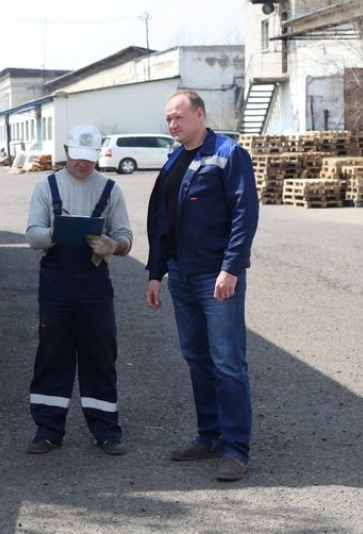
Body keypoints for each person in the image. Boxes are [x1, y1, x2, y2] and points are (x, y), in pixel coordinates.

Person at [144, 90, 259, 482]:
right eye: (168, 119)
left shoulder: (229, 154)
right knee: (197, 358)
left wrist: (232, 268)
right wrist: (155, 272)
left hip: (216, 277)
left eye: (178, 117)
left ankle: (235, 449)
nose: (172, 125)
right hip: (182, 275)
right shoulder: (174, 158)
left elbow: (246, 214)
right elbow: (163, 221)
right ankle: (208, 436)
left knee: (228, 362)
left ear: (199, 114)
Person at [25, 125, 133, 455]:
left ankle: (105, 430)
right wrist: (56, 232)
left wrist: (113, 245)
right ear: (67, 151)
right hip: (56, 283)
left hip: (94, 286)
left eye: (89, 159)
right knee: (53, 353)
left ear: (97, 156)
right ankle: (48, 429)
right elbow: (32, 236)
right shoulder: (47, 186)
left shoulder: (111, 190)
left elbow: (126, 238)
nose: (82, 164)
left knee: (99, 354)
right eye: (77, 157)